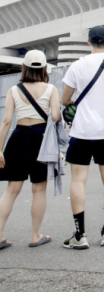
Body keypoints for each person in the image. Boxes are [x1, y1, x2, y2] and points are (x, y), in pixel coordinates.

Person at [61, 26, 104, 249]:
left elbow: (65, 99)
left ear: (88, 42)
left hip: (81, 130)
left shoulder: (76, 66)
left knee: (78, 179)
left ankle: (80, 235)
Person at [0, 50, 62, 249]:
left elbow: (7, 121)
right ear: (44, 68)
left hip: (18, 138)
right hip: (41, 141)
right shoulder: (51, 89)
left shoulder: (14, 90)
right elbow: (55, 116)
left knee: (11, 190)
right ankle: (35, 235)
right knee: (39, 189)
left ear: (24, 68)